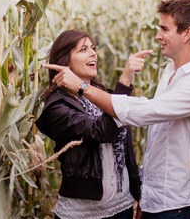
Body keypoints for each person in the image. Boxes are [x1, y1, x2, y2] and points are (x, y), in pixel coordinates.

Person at [45, 0, 190, 219]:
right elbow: (145, 136)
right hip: (147, 201)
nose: (158, 36)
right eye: (84, 50)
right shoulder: (170, 72)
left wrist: (85, 87)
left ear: (187, 33)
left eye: (164, 29)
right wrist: (144, 197)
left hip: (177, 202)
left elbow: (141, 114)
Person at [36, 29, 152, 219]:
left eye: (93, 48)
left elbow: (125, 148)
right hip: (83, 214)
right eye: (83, 49)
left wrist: (139, 195)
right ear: (65, 61)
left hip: (122, 207)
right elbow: (102, 132)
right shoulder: (56, 106)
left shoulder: (102, 94)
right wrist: (124, 81)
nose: (93, 53)